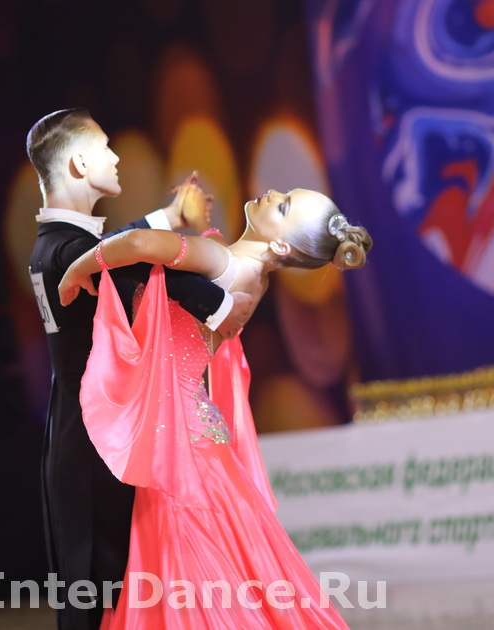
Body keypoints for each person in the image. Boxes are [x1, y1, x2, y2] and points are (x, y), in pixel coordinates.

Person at [58, 185, 371, 628]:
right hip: (199, 437)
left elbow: (138, 243)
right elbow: (177, 262)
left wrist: (78, 266)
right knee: (224, 572)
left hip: (177, 440)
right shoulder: (251, 276)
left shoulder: (222, 261)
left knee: (189, 574)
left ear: (282, 246)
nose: (272, 193)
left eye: (283, 206)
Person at [26, 109, 253, 630]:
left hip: (83, 439)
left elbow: (120, 246)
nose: (116, 157)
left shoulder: (56, 245)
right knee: (106, 600)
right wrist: (220, 304)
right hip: (96, 451)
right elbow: (137, 262)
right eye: (105, 147)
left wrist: (166, 217)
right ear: (80, 163)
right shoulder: (71, 251)